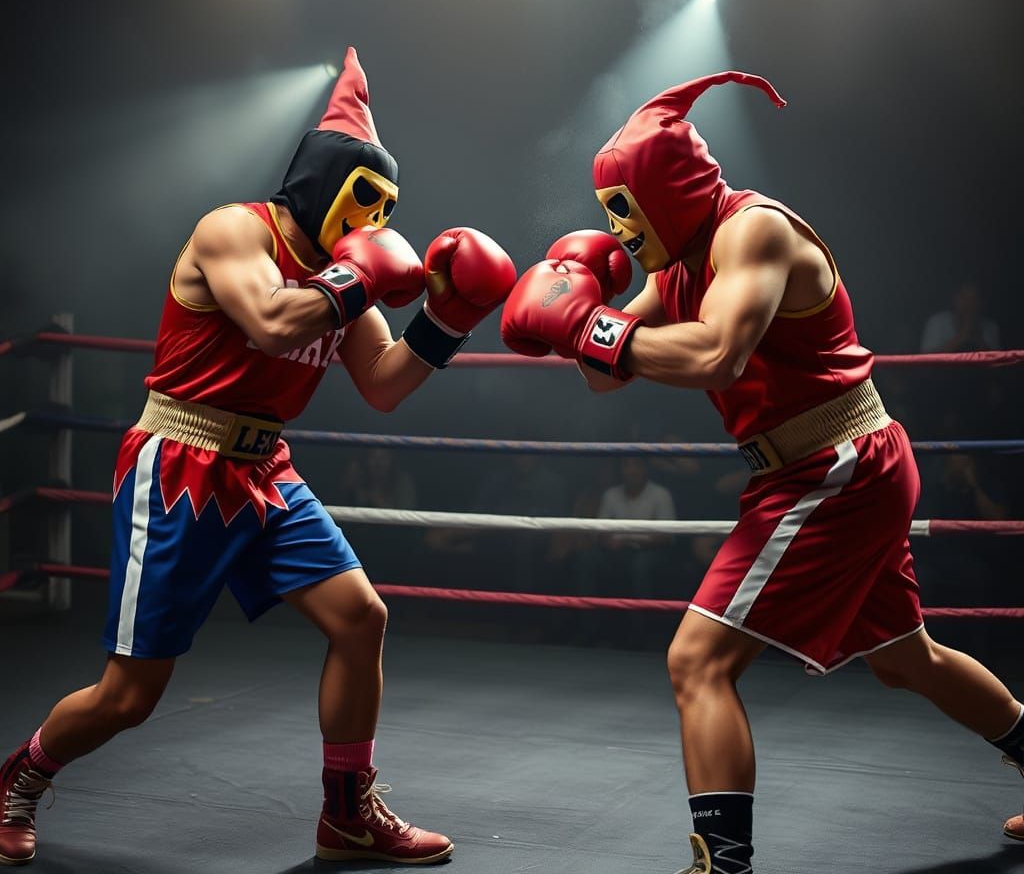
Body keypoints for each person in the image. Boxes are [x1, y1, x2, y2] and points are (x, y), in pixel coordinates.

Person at [0, 47, 517, 867]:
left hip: (265, 470)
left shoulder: (341, 274)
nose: (373, 222)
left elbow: (384, 384)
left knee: (361, 618)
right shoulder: (234, 230)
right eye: (364, 200)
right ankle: (19, 778)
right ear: (323, 183)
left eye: (385, 208)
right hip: (179, 462)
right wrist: (356, 281)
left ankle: (347, 816)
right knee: (130, 696)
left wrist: (449, 320)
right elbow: (275, 323)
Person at [500, 71, 1024, 871]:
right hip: (824, 468)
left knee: (696, 661)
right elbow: (605, 374)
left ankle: (723, 864)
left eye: (625, 210)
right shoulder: (673, 264)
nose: (622, 229)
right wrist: (583, 311)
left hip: (835, 465)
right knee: (903, 659)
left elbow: (716, 353)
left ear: (664, 192)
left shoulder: (754, 233)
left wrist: (590, 327)